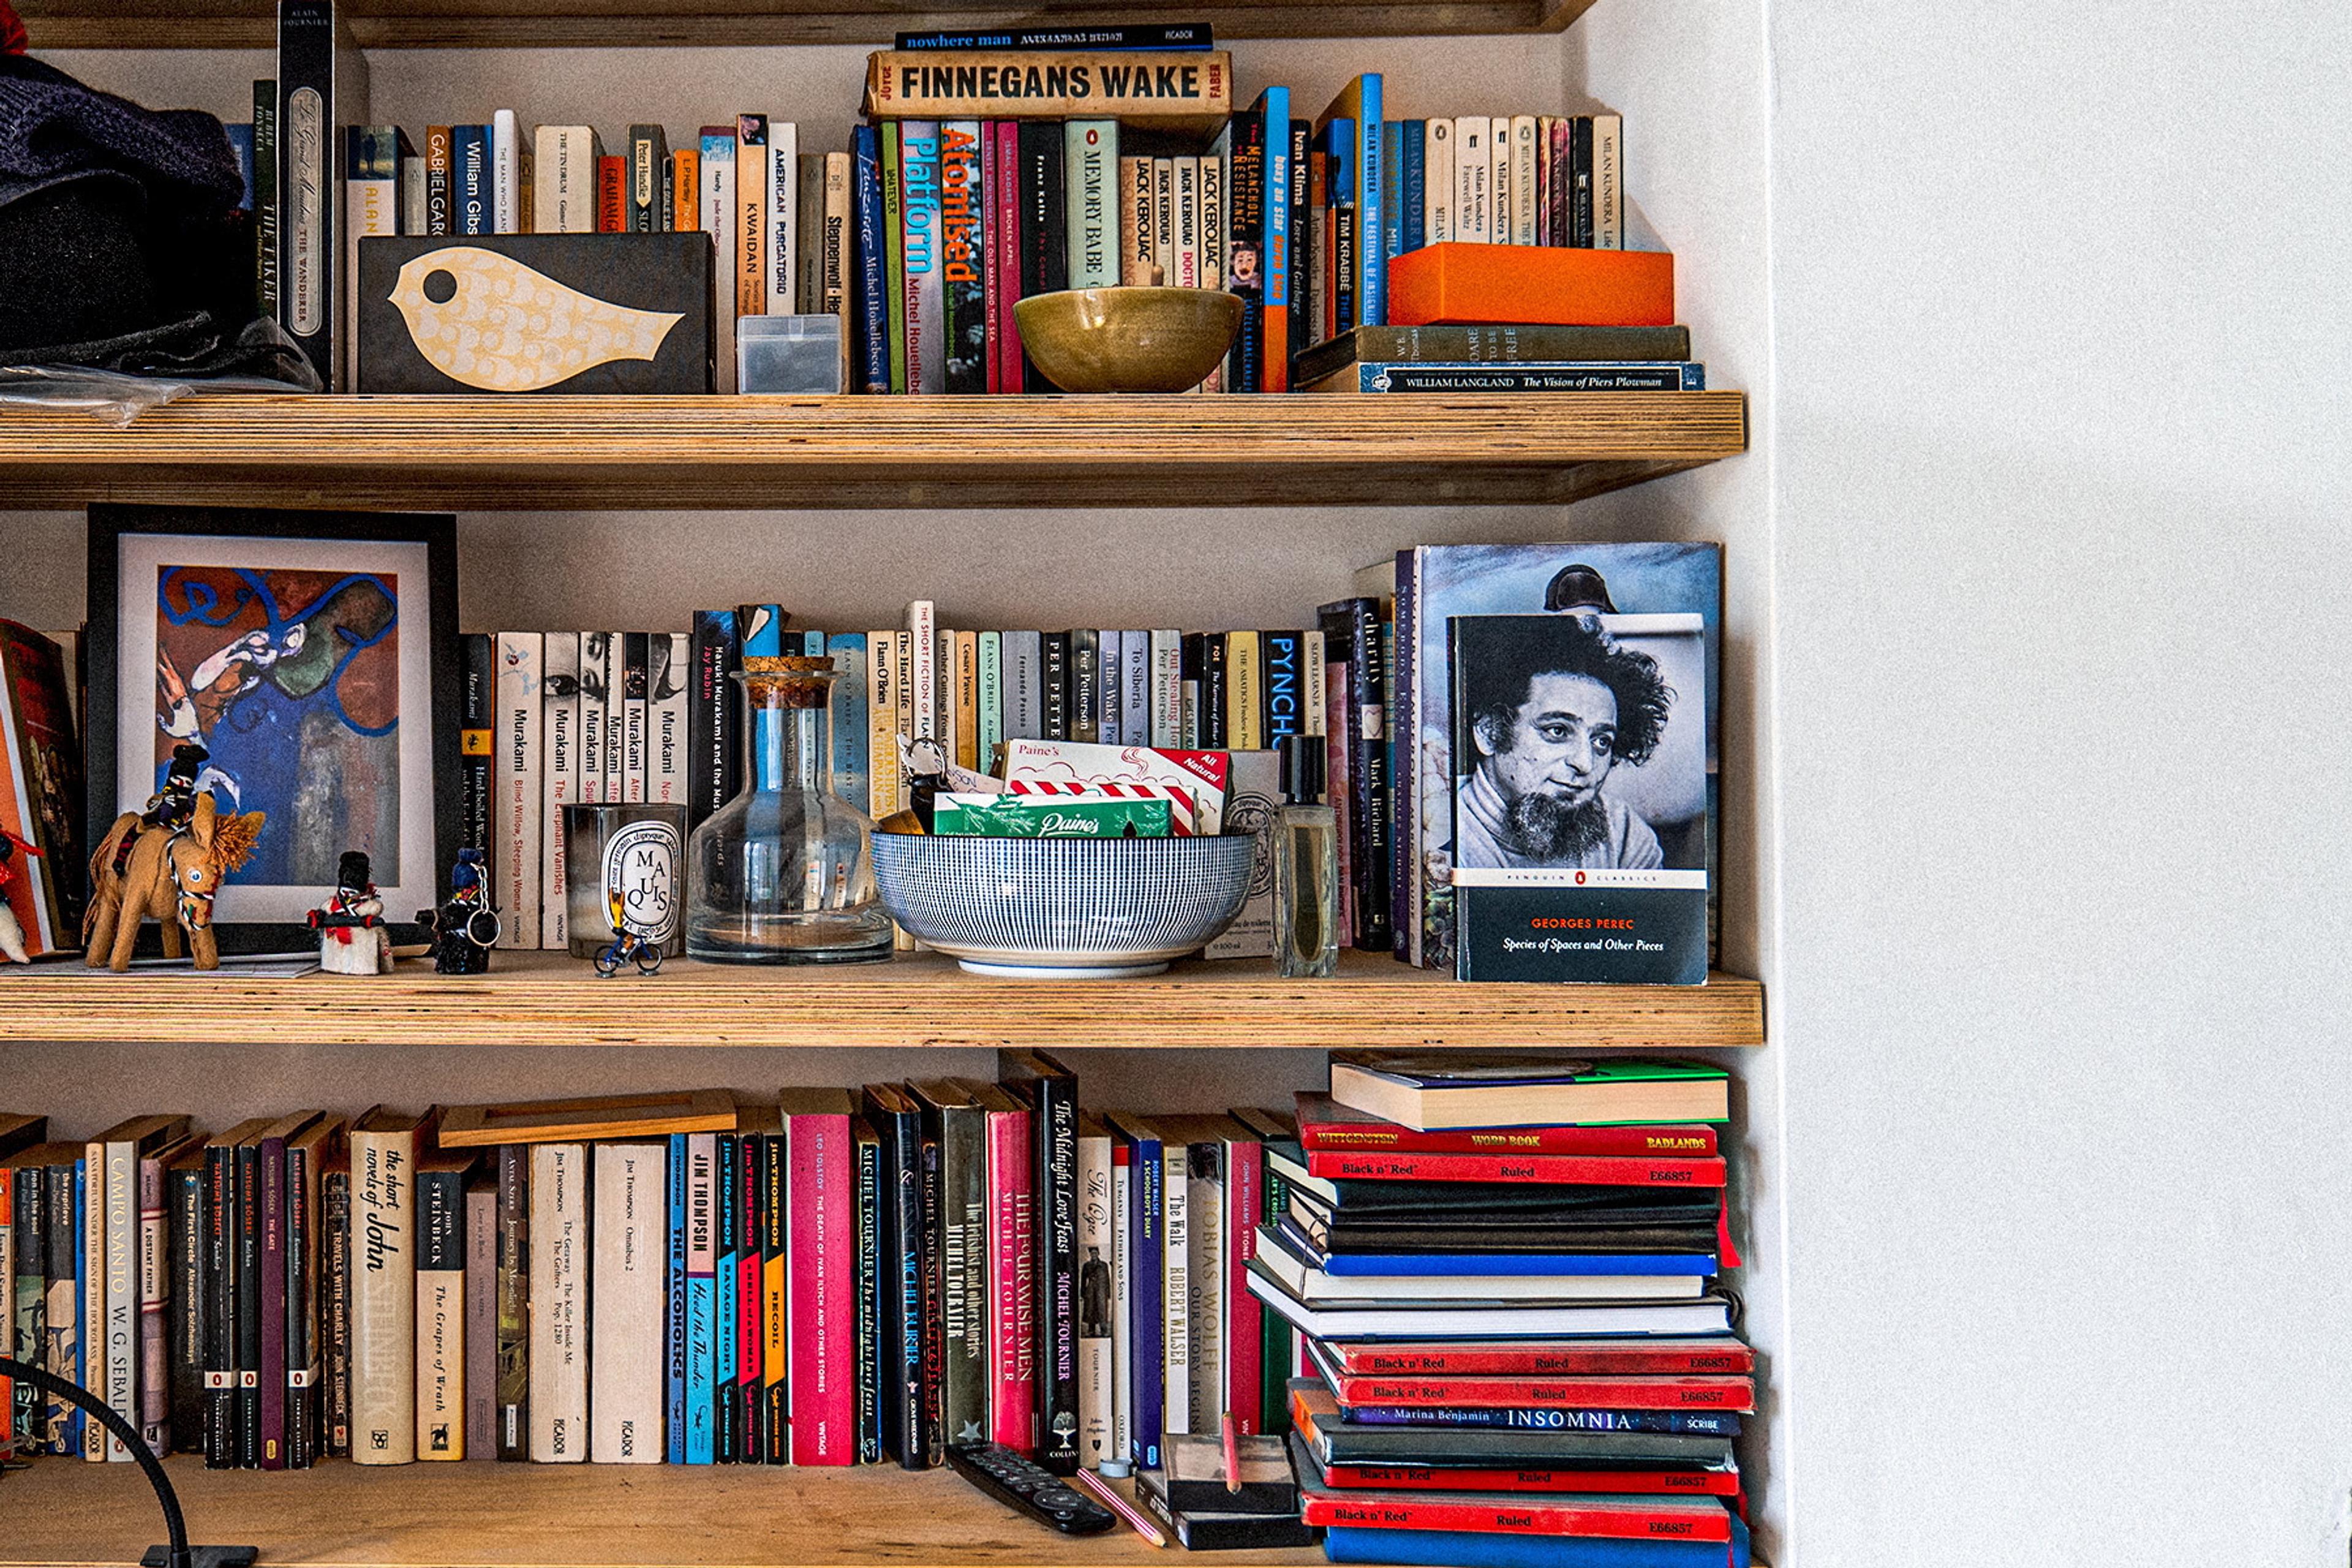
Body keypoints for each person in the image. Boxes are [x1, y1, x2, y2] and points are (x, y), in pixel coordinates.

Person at [1455, 614, 1674, 871]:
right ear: (1490, 731)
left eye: (1602, 741)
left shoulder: (1624, 834)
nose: (1585, 763)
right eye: (1558, 731)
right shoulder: (1444, 835)